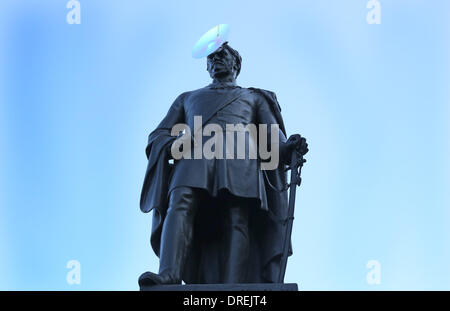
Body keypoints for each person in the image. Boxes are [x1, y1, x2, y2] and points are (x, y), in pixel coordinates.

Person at [139, 42, 308, 285]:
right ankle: (169, 273)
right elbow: (159, 134)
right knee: (180, 202)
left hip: (241, 157)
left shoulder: (254, 97)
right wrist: (177, 140)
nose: (216, 59)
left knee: (236, 215)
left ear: (236, 64)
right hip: (195, 155)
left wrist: (289, 147)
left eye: (222, 55)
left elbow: (272, 138)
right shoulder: (188, 98)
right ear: (207, 67)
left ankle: (232, 284)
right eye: (211, 57)